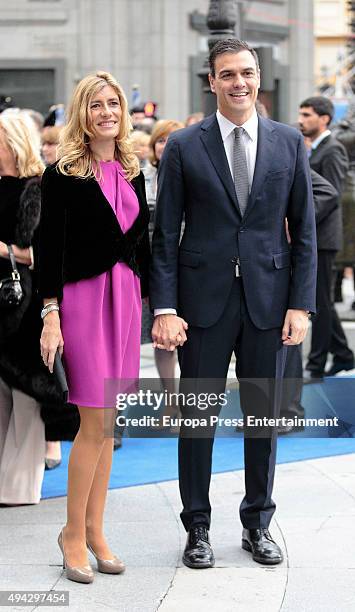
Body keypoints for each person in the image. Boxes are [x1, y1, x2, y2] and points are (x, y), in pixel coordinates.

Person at [150, 39, 317, 568]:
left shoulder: (289, 142)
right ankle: (197, 526)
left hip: (270, 303)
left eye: (246, 72)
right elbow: (164, 235)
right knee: (197, 420)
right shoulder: (182, 145)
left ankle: (258, 523)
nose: (238, 82)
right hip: (201, 305)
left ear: (258, 76)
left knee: (262, 419)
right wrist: (165, 307)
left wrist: (301, 305)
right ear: (212, 81)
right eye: (227, 74)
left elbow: (305, 234)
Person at [38, 71, 150, 583]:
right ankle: (72, 534)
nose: (106, 112)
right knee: (92, 423)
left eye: (113, 104)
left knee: (108, 426)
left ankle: (96, 528)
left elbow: (142, 246)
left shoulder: (134, 168)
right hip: (82, 301)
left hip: (124, 300)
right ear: (81, 113)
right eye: (96, 105)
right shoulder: (62, 172)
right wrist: (50, 313)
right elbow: (48, 250)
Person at [0, 112, 49, 505]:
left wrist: (6, 251)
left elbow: (46, 252)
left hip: (24, 300)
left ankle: (20, 486)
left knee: (25, 393)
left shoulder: (37, 187)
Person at [298, 96, 354, 378]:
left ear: (324, 119)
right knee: (320, 301)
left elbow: (329, 195)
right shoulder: (315, 149)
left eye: (307, 115)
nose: (301, 119)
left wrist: (296, 222)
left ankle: (316, 365)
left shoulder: (332, 150)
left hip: (322, 238)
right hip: (314, 237)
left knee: (318, 303)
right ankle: (343, 354)